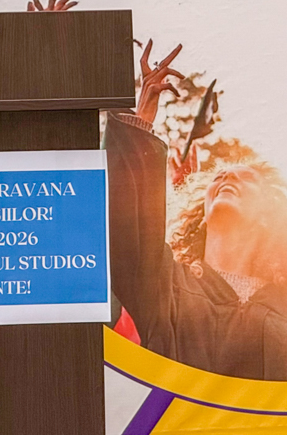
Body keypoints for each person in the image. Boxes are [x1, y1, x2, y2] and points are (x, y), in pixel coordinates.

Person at [105, 40, 287, 379]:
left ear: (269, 214)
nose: (227, 176)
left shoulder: (282, 305)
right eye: (219, 177)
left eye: (246, 178)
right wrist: (140, 125)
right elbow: (127, 230)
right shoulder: (165, 286)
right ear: (201, 215)